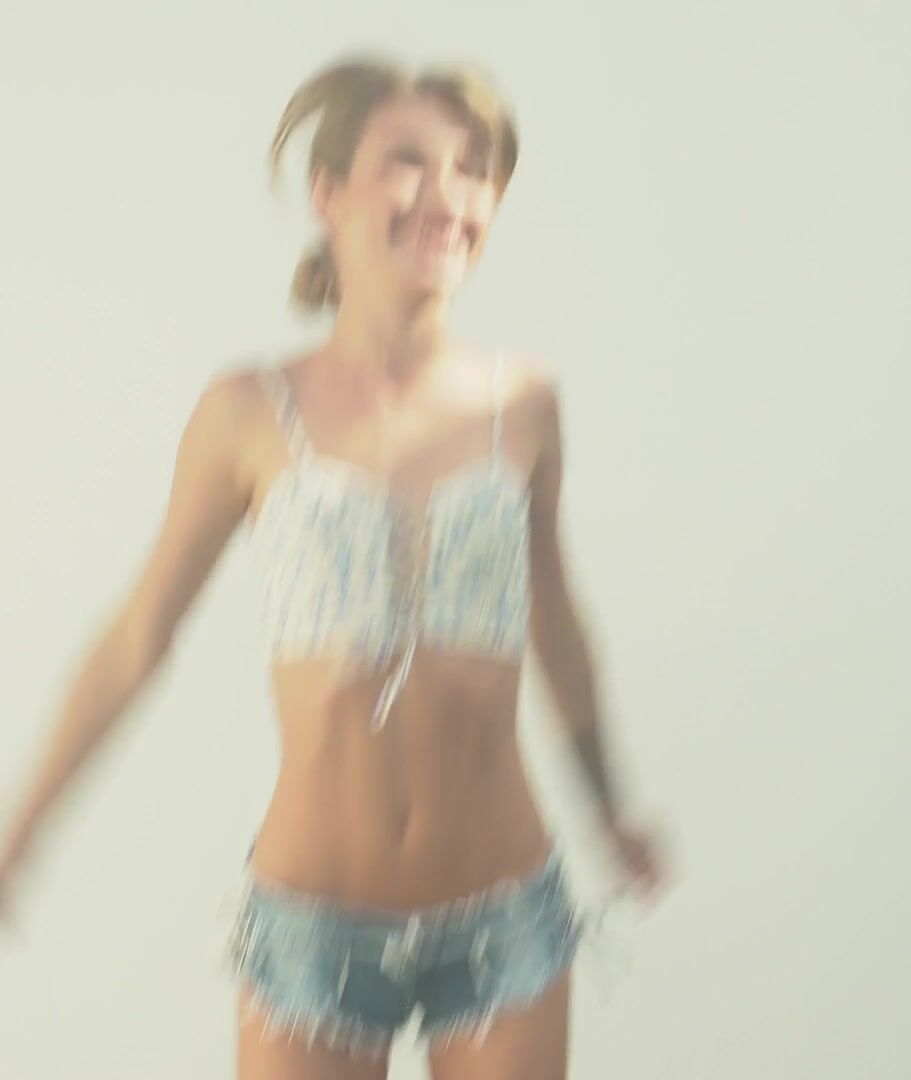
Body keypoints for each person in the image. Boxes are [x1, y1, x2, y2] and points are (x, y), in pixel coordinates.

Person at [0, 54, 666, 1077]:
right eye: (408, 162)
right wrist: (21, 832)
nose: (448, 195)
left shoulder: (525, 403)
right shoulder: (247, 411)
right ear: (328, 191)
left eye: (474, 169)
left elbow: (558, 625)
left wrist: (609, 806)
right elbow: (137, 638)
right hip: (311, 931)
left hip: (506, 921)